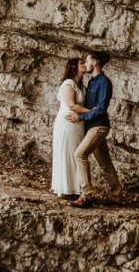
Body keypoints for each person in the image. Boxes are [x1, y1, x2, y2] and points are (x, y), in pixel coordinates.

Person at [67, 51, 122, 208]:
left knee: (80, 154)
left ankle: (87, 195)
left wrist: (81, 117)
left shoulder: (104, 82)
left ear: (95, 63)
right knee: (104, 162)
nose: (85, 63)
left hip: (99, 126)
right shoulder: (91, 82)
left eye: (88, 60)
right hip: (92, 126)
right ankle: (115, 195)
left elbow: (101, 109)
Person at [50, 58, 89, 199]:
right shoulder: (69, 83)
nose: (85, 65)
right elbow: (72, 105)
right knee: (69, 153)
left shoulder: (80, 86)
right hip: (67, 123)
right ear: (74, 67)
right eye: (81, 63)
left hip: (78, 123)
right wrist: (92, 112)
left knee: (76, 153)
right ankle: (67, 188)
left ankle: (75, 188)